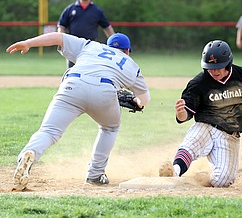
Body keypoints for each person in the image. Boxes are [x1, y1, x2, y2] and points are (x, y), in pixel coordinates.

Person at [6, 32, 150, 191]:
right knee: (110, 128)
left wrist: (28, 43)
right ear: (128, 51)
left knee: (49, 130)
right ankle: (95, 174)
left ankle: (29, 153)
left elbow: (57, 37)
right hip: (105, 91)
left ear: (107, 45)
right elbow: (144, 100)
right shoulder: (131, 65)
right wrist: (137, 102)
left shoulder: (90, 46)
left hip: (72, 84)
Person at [159, 40, 242, 187]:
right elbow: (185, 116)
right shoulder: (198, 83)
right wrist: (181, 112)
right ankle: (174, 172)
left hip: (229, 136)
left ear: (228, 63)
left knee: (221, 181)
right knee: (192, 141)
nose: (214, 71)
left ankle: (203, 175)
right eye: (210, 68)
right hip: (206, 126)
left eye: (218, 67)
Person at [57, 0, 115, 68]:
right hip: (73, 45)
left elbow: (107, 28)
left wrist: (114, 43)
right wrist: (62, 42)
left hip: (90, 46)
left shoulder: (96, 11)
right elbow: (61, 27)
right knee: (72, 71)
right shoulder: (70, 9)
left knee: (90, 70)